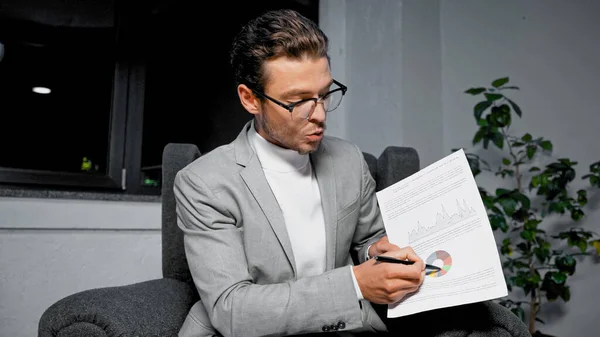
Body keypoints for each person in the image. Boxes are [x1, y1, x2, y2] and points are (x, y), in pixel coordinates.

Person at [174, 8, 530, 337]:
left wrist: (379, 251)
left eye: (325, 94)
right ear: (250, 99)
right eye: (298, 102)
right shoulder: (204, 183)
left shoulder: (347, 159)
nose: (319, 114)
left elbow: (365, 241)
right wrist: (357, 284)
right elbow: (231, 309)